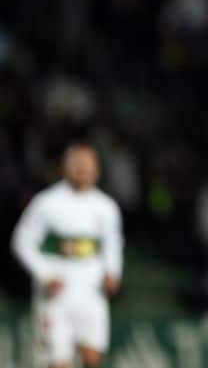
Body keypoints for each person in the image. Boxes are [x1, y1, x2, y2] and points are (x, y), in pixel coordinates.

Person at [11, 144, 124, 368]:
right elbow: (22, 242)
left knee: (93, 358)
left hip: (92, 293)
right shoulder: (46, 203)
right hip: (57, 295)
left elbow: (113, 244)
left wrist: (113, 273)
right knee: (58, 362)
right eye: (77, 164)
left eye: (88, 165)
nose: (83, 169)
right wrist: (45, 274)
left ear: (97, 169)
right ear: (65, 167)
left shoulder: (107, 206)